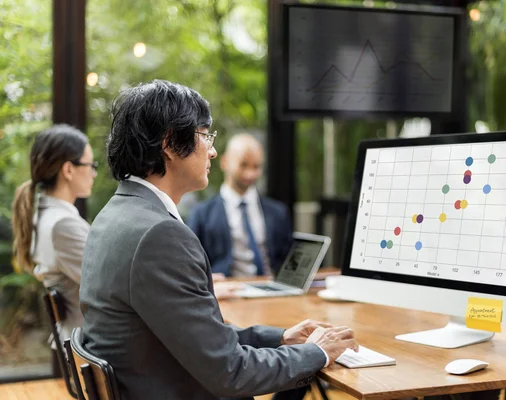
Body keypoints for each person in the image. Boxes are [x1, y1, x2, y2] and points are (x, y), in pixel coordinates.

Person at [79, 79, 357, 400]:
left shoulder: (115, 215)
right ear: (170, 143)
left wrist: (280, 338)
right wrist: (317, 353)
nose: (211, 150)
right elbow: (230, 373)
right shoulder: (159, 234)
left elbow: (200, 335)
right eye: (205, 135)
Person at [12, 124, 96, 344]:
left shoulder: (42, 216)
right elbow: (108, 286)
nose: (94, 173)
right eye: (90, 165)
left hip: (79, 343)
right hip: (92, 347)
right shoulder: (62, 225)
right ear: (68, 170)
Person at [187, 133, 293, 277]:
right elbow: (191, 264)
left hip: (272, 288)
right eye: (243, 165)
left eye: (256, 167)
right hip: (227, 292)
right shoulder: (201, 214)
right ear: (225, 162)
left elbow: (288, 261)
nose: (250, 174)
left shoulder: (278, 212)